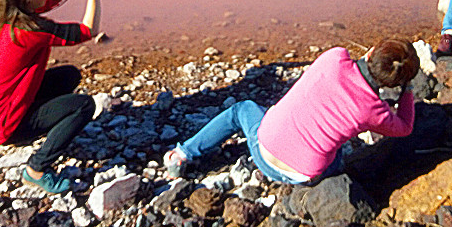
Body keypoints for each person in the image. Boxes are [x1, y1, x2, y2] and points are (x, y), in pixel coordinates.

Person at [163, 39, 418, 184]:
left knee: (242, 110)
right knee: (339, 143)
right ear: (394, 83)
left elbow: (352, 69)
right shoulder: (376, 112)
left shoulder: (336, 58)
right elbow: (405, 128)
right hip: (303, 175)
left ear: (372, 51)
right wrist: (408, 92)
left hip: (264, 150)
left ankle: (182, 154)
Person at [0, 0, 104, 194]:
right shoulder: (31, 31)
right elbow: (88, 31)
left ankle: (49, 123)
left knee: (69, 76)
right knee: (84, 105)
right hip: (6, 125)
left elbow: (49, 0)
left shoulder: (8, 15)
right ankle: (36, 168)